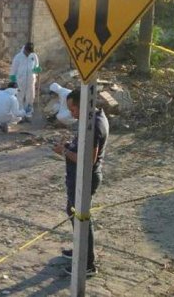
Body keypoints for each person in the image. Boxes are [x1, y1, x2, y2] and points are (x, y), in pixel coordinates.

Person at [52, 88, 108, 277]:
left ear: (83, 105)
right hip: (77, 177)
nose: (71, 113)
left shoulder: (94, 124)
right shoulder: (91, 119)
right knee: (73, 212)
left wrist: (65, 152)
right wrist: (69, 146)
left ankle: (87, 264)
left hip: (85, 178)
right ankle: (80, 252)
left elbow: (87, 161)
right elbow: (83, 149)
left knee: (82, 218)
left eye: (73, 109)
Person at [9, 42, 41, 119]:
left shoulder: (34, 56)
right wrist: (13, 79)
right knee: (20, 96)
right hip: (20, 80)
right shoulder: (18, 57)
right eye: (27, 52)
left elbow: (35, 67)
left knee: (30, 97)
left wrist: (37, 69)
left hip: (31, 80)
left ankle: (28, 112)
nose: (28, 54)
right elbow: (13, 69)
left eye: (30, 53)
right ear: (25, 49)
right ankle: (20, 112)